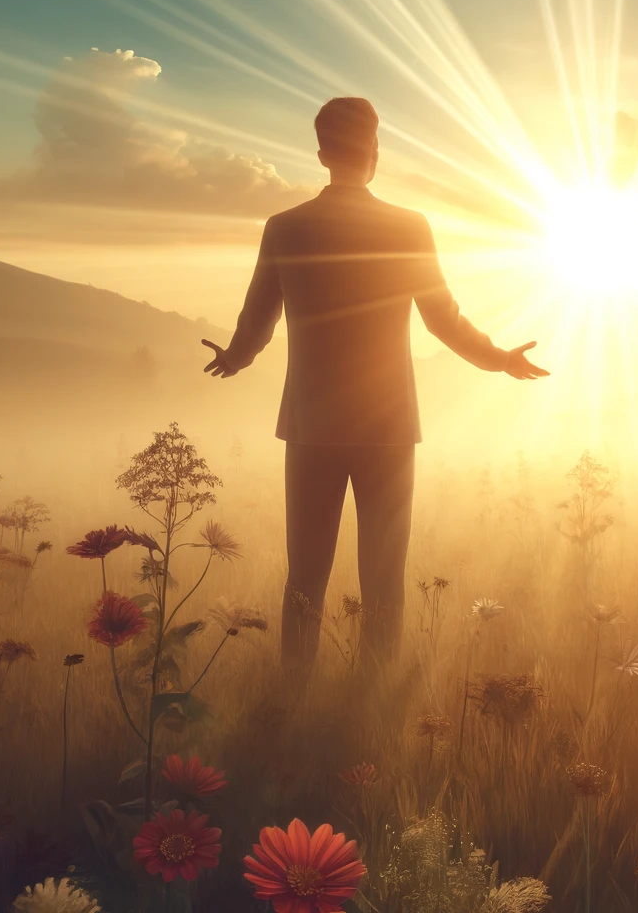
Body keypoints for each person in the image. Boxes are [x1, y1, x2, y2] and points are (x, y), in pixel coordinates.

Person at [202, 97, 547, 674]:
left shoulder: (286, 227)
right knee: (384, 574)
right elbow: (443, 318)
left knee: (305, 572)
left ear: (321, 153)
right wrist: (498, 358)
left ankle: (294, 694)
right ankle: (373, 698)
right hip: (388, 425)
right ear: (375, 153)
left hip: (312, 424)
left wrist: (236, 358)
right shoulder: (408, 226)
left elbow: (258, 315)